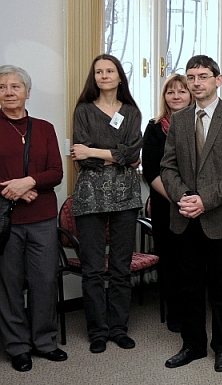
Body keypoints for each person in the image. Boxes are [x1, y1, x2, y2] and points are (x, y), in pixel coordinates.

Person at [160, 55, 222, 372]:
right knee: (188, 287)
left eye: (202, 76)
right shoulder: (179, 120)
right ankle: (193, 345)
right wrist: (184, 197)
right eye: (191, 77)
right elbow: (167, 167)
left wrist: (205, 200)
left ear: (218, 79)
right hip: (185, 218)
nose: (196, 82)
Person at [70, 54, 143, 354]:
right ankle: (98, 331)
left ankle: (118, 328)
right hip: (90, 196)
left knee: (121, 267)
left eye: (109, 70)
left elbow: (133, 153)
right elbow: (81, 155)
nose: (104, 75)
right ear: (94, 77)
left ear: (119, 76)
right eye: (98, 71)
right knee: (93, 269)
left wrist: (94, 151)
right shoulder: (84, 110)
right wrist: (115, 155)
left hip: (126, 196)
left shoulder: (132, 112)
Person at [0, 65, 65, 372]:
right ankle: (17, 347)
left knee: (44, 281)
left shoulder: (44, 128)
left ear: (28, 92)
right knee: (9, 284)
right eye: (2, 87)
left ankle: (45, 341)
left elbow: (56, 173)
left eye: (15, 86)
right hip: (7, 221)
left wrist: (28, 182)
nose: (8, 92)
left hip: (42, 217)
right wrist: (13, 189)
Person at [142, 73, 192, 333]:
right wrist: (177, 198)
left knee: (191, 262)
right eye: (170, 92)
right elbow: (151, 170)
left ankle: (194, 311)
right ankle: (175, 314)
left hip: (195, 206)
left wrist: (191, 199)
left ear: (191, 94)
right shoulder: (154, 127)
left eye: (182, 91)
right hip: (166, 205)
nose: (176, 96)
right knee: (170, 262)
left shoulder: (199, 124)